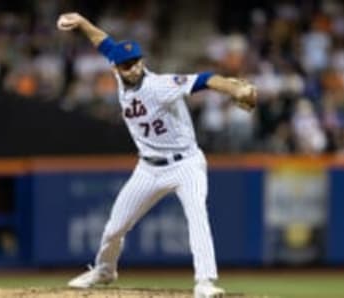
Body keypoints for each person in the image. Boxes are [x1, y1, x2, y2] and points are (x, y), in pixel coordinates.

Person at [57, 12, 257, 298]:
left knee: (197, 215)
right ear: (116, 68)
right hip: (148, 167)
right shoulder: (118, 74)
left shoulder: (159, 85)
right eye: (126, 64)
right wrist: (81, 22)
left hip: (186, 163)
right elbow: (103, 41)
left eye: (136, 61)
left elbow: (205, 79)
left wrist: (236, 87)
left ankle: (205, 282)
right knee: (115, 227)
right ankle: (104, 270)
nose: (133, 68)